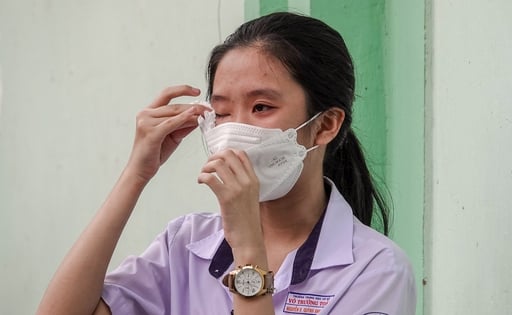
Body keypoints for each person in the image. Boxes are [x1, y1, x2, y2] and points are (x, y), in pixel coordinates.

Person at [36, 12, 416, 315]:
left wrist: (249, 249)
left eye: (261, 107)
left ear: (325, 125)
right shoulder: (185, 245)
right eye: (221, 112)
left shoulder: (375, 268)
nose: (235, 130)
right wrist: (136, 174)